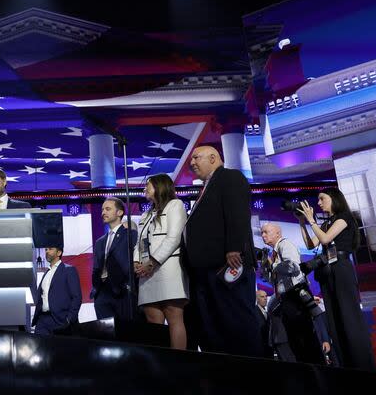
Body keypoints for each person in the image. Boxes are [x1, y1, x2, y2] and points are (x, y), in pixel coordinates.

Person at [182, 145, 262, 356]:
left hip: (227, 265)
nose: (192, 163)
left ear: (213, 157)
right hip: (206, 271)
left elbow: (237, 213)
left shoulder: (230, 177)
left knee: (236, 320)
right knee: (214, 325)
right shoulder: (207, 186)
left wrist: (234, 247)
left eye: (196, 157)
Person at [298, 187, 376, 371]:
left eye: (321, 199)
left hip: (341, 268)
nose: (318, 203)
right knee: (334, 320)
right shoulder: (327, 222)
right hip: (327, 271)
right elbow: (312, 244)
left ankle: (362, 364)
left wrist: (312, 220)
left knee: (347, 315)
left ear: (334, 199)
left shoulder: (344, 217)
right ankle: (345, 363)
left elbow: (325, 239)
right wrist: (303, 223)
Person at [133, 173, 189, 349]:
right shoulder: (146, 214)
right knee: (152, 319)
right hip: (146, 273)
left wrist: (153, 262)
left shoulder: (175, 205)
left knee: (174, 315)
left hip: (168, 268)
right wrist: (136, 262)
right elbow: (139, 242)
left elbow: (173, 238)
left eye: (147, 186)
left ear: (159, 187)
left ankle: (178, 363)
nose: (144, 189)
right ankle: (158, 364)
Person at [262, 223, 330, 365]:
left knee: (305, 340)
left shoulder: (285, 244)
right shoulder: (274, 253)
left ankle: (318, 373)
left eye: (266, 232)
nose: (263, 235)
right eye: (262, 233)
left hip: (295, 298)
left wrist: (273, 266)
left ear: (277, 233)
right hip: (287, 301)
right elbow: (274, 280)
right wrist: (267, 267)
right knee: (296, 342)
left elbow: (293, 266)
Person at [92, 197, 137, 321]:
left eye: (108, 209)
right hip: (102, 293)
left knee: (125, 333)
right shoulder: (99, 242)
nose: (103, 213)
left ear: (120, 212)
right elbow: (96, 267)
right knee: (105, 334)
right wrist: (96, 289)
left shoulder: (130, 235)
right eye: (102, 210)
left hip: (122, 292)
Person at [32, 246, 82, 335]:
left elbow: (77, 297)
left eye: (50, 249)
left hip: (60, 320)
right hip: (42, 320)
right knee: (40, 347)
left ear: (59, 253)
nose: (47, 251)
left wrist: (69, 319)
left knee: (60, 348)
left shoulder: (69, 270)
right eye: (46, 249)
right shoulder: (46, 273)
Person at [255, 290, 274, 358]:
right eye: (262, 296)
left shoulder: (267, 312)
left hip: (269, 348)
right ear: (257, 299)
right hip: (261, 349)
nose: (265, 298)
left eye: (266, 296)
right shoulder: (255, 311)